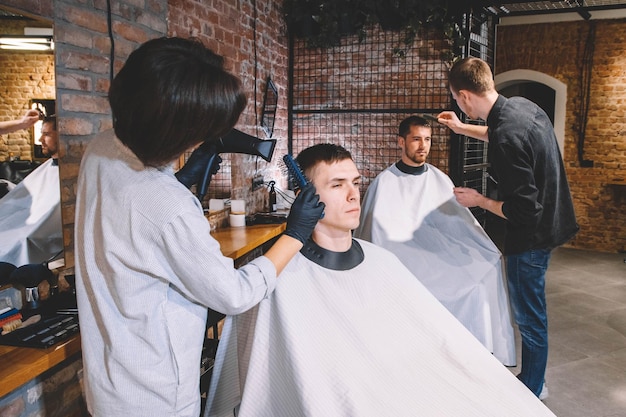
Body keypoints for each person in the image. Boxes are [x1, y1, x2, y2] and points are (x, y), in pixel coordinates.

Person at [205, 143, 556, 417]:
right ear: (305, 198)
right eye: (337, 185)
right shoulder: (279, 279)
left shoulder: (381, 262)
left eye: (355, 183)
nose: (354, 194)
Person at [73, 37, 324, 417]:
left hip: (109, 384)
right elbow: (233, 294)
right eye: (201, 130)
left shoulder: (103, 148)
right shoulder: (167, 207)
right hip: (156, 399)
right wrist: (294, 234)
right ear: (174, 131)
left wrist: (178, 178)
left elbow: (135, 216)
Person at [436, 57, 579, 399]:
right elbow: (499, 130)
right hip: (556, 221)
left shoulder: (505, 140)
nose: (457, 104)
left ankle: (532, 390)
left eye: (456, 98)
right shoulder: (520, 108)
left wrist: (479, 200)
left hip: (531, 237)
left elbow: (524, 211)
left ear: (466, 96)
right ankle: (535, 379)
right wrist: (460, 128)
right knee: (534, 314)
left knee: (530, 318)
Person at [354, 115, 515, 366]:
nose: (423, 146)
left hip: (437, 252)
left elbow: (458, 224)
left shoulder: (439, 178)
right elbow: (378, 236)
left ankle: (474, 351)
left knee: (487, 266)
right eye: (416, 139)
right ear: (401, 142)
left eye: (427, 139)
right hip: (401, 256)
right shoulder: (384, 183)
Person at [0, 115, 62, 266]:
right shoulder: (47, 169)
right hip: (19, 227)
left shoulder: (68, 174)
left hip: (32, 235)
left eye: (46, 134)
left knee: (18, 241)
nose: (40, 139)